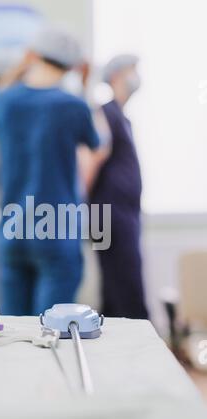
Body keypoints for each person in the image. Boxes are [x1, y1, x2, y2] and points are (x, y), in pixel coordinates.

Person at [0, 26, 107, 316]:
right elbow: (96, 142)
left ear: (32, 56)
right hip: (56, 230)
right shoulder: (73, 106)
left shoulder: (4, 102)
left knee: (14, 331)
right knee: (52, 331)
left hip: (13, 230)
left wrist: (17, 69)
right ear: (74, 66)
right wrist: (86, 85)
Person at [84, 54, 149, 319]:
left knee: (117, 287)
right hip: (107, 214)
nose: (136, 76)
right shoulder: (105, 113)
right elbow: (92, 158)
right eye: (132, 70)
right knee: (125, 283)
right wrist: (79, 200)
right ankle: (141, 350)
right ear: (116, 76)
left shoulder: (122, 117)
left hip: (123, 213)